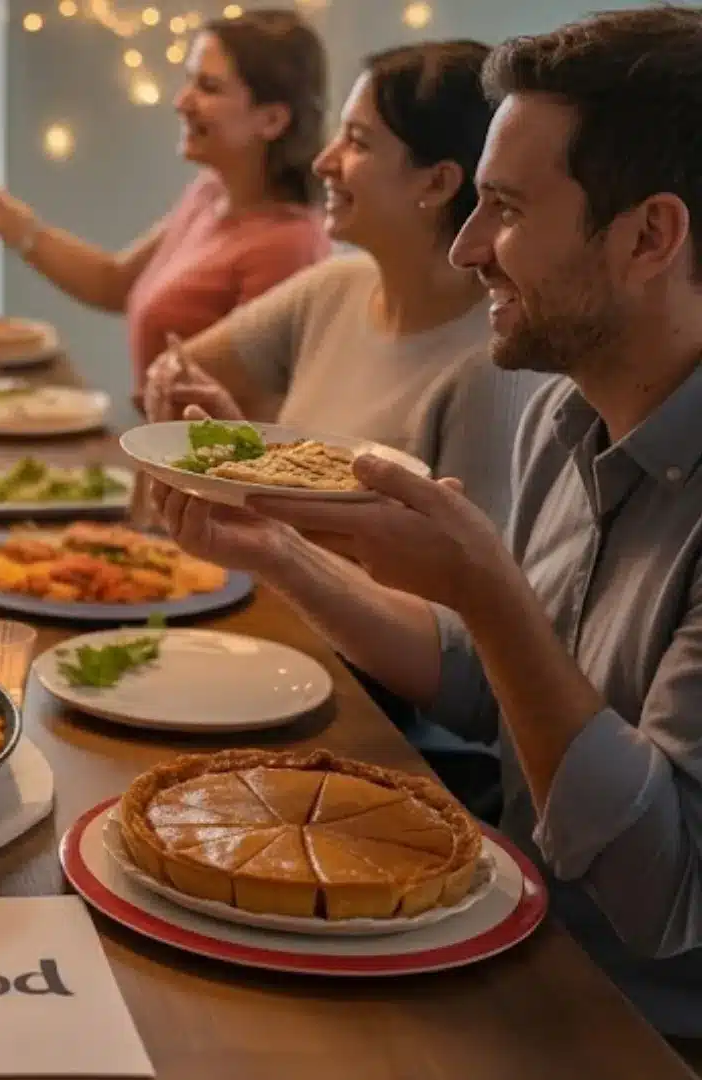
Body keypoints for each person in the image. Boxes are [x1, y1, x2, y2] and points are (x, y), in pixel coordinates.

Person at [149, 6, 702, 1040]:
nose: (469, 246)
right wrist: (278, 554)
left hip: (630, 1029)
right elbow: (498, 695)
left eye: (504, 208)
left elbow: (660, 892)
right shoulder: (564, 413)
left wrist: (488, 589)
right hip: (501, 932)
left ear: (649, 237)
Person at [142, 41, 556, 534]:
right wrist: (245, 449)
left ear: (437, 184)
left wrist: (266, 501)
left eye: (357, 142)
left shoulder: (496, 368)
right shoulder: (333, 287)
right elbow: (177, 369)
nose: (323, 162)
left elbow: (461, 593)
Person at [0, 8, 330, 407]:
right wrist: (7, 221)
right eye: (189, 81)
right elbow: (114, 283)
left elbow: (260, 417)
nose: (182, 102)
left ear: (271, 120)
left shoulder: (288, 246)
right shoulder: (210, 193)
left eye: (209, 87)